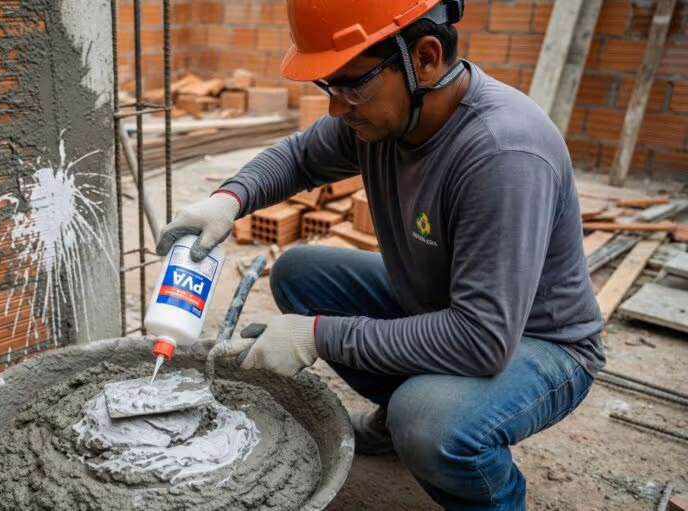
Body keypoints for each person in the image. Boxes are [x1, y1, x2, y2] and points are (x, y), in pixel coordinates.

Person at [155, 1, 605, 509]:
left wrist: (319, 336)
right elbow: (300, 157)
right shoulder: (386, 115)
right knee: (300, 273)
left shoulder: (503, 154)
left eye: (351, 86)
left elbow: (482, 339)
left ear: (425, 58)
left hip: (536, 341)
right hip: (449, 307)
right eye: (328, 87)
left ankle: (478, 482)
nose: (336, 108)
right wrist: (229, 199)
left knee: (428, 423)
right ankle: (397, 420)